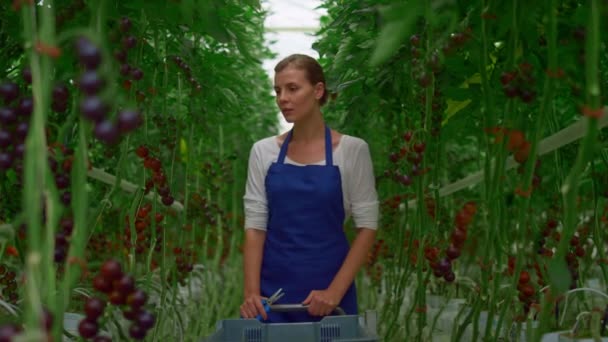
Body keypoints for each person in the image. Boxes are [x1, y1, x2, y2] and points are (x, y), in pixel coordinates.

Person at [240, 54, 379, 323]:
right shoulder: (263, 151)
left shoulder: (352, 150)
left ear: (318, 91)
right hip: (272, 295)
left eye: (292, 88)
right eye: (278, 90)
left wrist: (334, 292)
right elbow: (255, 227)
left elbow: (367, 227)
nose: (282, 98)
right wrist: (251, 293)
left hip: (330, 293)